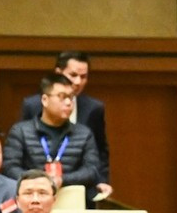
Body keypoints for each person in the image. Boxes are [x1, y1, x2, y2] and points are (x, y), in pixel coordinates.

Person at [17, 51, 112, 199]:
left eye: (83, 77)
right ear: (58, 73)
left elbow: (101, 149)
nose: (78, 82)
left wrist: (101, 180)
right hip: (37, 188)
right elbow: (22, 147)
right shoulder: (32, 104)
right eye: (73, 75)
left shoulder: (94, 108)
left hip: (79, 188)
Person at [3, 74, 102, 199]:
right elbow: (10, 168)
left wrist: (62, 179)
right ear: (45, 100)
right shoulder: (21, 131)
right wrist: (39, 182)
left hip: (72, 200)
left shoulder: (84, 133)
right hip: (31, 199)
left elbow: (91, 170)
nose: (68, 102)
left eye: (71, 98)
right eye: (62, 97)